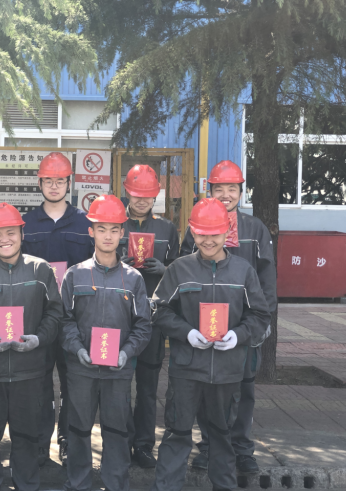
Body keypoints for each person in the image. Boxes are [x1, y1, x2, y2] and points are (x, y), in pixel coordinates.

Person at [152, 198, 270, 491]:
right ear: (192, 231)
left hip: (227, 372)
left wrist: (238, 336)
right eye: (201, 233)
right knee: (177, 433)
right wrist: (187, 333)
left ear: (227, 231)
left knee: (221, 435)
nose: (208, 240)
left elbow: (260, 315)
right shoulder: (179, 269)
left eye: (215, 233)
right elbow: (159, 310)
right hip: (186, 370)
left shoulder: (243, 271)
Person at [181, 160, 276, 473]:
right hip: (207, 324)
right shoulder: (196, 226)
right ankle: (209, 447)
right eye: (218, 188)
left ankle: (242, 450)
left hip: (244, 326)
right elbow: (184, 272)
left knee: (244, 388)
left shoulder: (255, 229)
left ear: (241, 191)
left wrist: (262, 322)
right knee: (207, 388)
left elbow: (267, 278)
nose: (225, 194)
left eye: (231, 188)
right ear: (209, 190)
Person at [0, 202, 63, 491]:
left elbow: (55, 313)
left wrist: (39, 338)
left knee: (27, 435)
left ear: (22, 233)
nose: (4, 239)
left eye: (11, 232)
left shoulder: (41, 270)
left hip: (29, 372)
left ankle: (26, 483)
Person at [61, 194, 152, 491]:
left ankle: (116, 484)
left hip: (118, 372)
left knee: (117, 431)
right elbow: (64, 320)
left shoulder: (133, 279)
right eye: (102, 229)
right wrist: (78, 349)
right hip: (81, 369)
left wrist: (126, 353)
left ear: (122, 233)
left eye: (114, 229)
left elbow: (143, 326)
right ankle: (78, 483)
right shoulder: (75, 275)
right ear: (91, 232)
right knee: (78, 430)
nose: (108, 236)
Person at [21, 152, 94, 466]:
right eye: (48, 180)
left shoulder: (84, 223)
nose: (54, 186)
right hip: (37, 317)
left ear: (69, 183)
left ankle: (67, 441)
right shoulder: (25, 223)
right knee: (39, 382)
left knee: (72, 382)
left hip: (74, 318)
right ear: (39, 183)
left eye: (60, 180)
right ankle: (39, 442)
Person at [120, 165, 180, 469]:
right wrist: (118, 263)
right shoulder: (115, 224)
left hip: (153, 319)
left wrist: (165, 269)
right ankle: (119, 443)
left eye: (147, 195)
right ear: (127, 192)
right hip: (118, 318)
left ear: (156, 195)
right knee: (118, 386)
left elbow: (181, 272)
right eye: (136, 193)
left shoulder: (167, 229)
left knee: (147, 387)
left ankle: (143, 445)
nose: (141, 200)